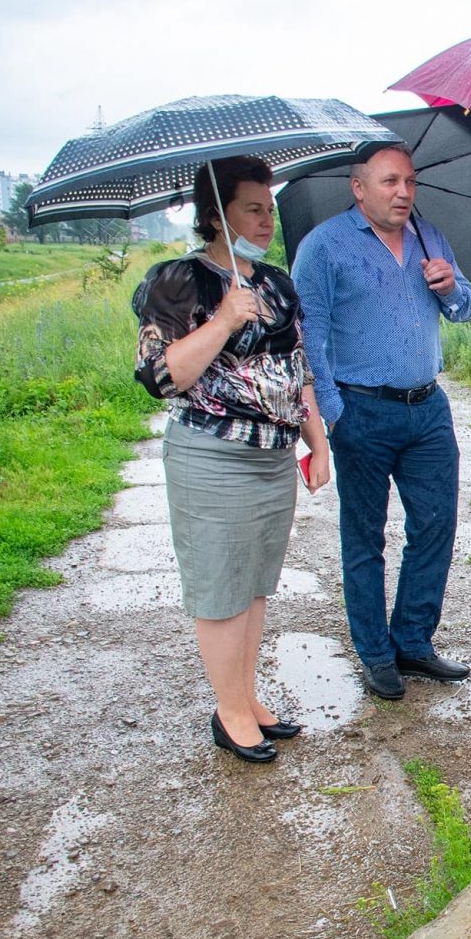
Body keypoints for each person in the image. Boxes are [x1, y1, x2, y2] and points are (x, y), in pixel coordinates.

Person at [133, 155, 332, 763]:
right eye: (252, 206)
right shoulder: (178, 281)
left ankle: (245, 698)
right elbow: (161, 375)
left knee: (252, 586)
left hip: (273, 457)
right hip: (212, 456)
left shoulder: (275, 283)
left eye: (269, 207)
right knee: (219, 584)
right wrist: (222, 319)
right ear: (215, 215)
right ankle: (230, 712)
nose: (266, 217)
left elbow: (297, 370)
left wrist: (316, 441)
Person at [292, 145, 471, 700]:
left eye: (410, 182)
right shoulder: (324, 246)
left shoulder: (429, 236)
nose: (404, 192)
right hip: (361, 409)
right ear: (359, 187)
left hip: (428, 409)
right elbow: (308, 337)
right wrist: (333, 412)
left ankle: (414, 641)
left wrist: (451, 288)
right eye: (391, 181)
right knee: (364, 537)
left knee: (436, 526)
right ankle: (375, 653)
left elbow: (466, 309)